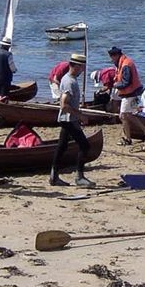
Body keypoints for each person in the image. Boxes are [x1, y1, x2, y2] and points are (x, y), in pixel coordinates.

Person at [50, 53, 95, 188]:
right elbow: (64, 104)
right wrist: (80, 115)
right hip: (69, 119)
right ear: (74, 66)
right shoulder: (70, 81)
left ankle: (54, 176)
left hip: (68, 118)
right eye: (81, 67)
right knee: (84, 145)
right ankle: (79, 177)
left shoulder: (68, 79)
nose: (82, 70)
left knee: (62, 146)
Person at [108, 46, 145, 145]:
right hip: (135, 92)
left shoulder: (125, 65)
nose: (111, 60)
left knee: (123, 116)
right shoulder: (124, 62)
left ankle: (128, 139)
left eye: (111, 57)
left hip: (130, 94)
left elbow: (126, 82)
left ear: (115, 56)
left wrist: (116, 85)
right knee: (130, 115)